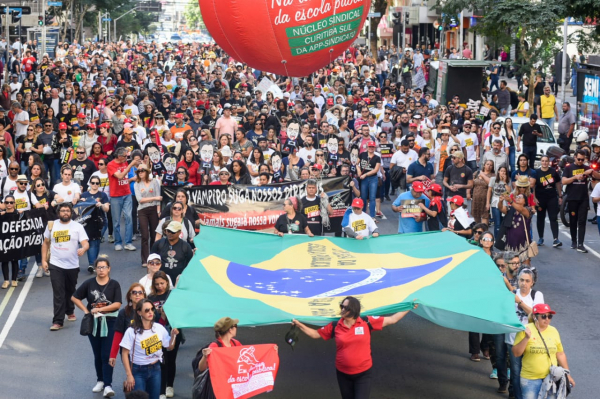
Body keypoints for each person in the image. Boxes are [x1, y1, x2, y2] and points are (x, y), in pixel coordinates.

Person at [292, 296, 418, 399]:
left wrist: (409, 307)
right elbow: (315, 334)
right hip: (343, 374)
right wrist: (299, 325)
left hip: (363, 374)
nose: (341, 309)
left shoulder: (367, 322)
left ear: (353, 310)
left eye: (345, 307)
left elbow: (392, 319)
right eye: (341, 306)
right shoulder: (336, 326)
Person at [71, 256, 122, 398]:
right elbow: (75, 297)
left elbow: (118, 304)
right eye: (99, 267)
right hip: (93, 323)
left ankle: (108, 385)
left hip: (110, 322)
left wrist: (101, 310)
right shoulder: (89, 283)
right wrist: (86, 311)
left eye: (104, 267)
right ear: (95, 269)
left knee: (107, 354)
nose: (101, 270)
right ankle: (100, 380)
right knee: (97, 354)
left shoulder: (114, 284)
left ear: (109, 269)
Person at [42, 203, 90, 331]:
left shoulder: (77, 227)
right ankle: (58, 321)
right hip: (55, 264)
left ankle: (70, 310)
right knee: (58, 292)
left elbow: (86, 243)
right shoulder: (52, 225)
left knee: (70, 290)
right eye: (62, 211)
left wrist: (83, 249)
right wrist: (43, 261)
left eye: (67, 211)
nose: (65, 213)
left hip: (72, 265)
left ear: (71, 213)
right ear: (58, 213)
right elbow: (45, 243)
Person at [512, 304, 575, 399]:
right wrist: (526, 338)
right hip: (530, 379)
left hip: (551, 378)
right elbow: (516, 353)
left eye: (549, 316)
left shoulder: (554, 331)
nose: (547, 319)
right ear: (534, 316)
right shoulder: (525, 329)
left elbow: (560, 354)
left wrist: (567, 374)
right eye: (544, 316)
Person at [120, 299, 179, 399]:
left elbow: (169, 346)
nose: (151, 312)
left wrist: (173, 336)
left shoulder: (159, 328)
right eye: (147, 310)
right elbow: (124, 353)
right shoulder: (132, 331)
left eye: (152, 309)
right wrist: (129, 375)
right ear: (139, 312)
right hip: (138, 370)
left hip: (155, 368)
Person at [504, 267, 544, 399]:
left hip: (531, 340)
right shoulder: (512, 294)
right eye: (521, 280)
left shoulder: (537, 295)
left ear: (532, 282)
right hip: (512, 339)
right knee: (515, 372)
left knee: (528, 372)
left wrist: (519, 302)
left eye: (527, 281)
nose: (524, 283)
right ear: (518, 280)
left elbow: (535, 316)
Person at [562, 149, 600, 252]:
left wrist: (592, 171)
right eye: (578, 159)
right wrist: (574, 177)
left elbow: (598, 177)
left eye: (582, 160)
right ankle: (574, 241)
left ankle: (580, 244)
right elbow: (564, 181)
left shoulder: (586, 167)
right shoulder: (569, 168)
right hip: (572, 198)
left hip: (583, 199)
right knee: (573, 221)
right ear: (575, 157)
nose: (580, 161)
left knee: (582, 221)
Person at [108, 283, 147, 374]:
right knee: (133, 376)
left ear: (144, 295)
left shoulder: (149, 311)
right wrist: (113, 355)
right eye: (134, 292)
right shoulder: (124, 313)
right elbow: (118, 335)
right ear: (130, 296)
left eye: (140, 292)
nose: (137, 294)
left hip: (146, 350)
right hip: (129, 353)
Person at [107, 147, 140, 252]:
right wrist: (130, 164)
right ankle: (118, 242)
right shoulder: (111, 165)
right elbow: (120, 176)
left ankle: (128, 242)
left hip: (127, 194)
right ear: (119, 156)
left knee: (129, 218)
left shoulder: (125, 163)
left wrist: (132, 178)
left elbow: (125, 179)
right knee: (116, 221)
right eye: (125, 156)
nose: (127, 158)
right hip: (116, 196)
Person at [498, 176, 534, 263]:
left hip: (523, 243)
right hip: (510, 241)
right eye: (517, 197)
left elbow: (521, 209)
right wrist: (500, 201)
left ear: (525, 201)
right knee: (509, 264)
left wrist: (510, 201)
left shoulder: (528, 210)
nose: (517, 198)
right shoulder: (511, 209)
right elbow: (501, 209)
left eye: (520, 197)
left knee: (525, 264)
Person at [134, 165, 162, 267]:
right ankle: (144, 260)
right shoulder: (137, 184)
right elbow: (139, 199)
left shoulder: (154, 181)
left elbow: (159, 198)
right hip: (142, 210)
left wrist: (159, 211)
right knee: (145, 235)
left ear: (147, 172)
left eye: (142, 171)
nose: (140, 173)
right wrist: (155, 198)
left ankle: (153, 258)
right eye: (138, 172)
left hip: (154, 209)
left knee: (154, 235)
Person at [81, 175, 110, 273]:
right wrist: (82, 201)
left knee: (97, 242)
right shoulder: (84, 195)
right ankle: (91, 264)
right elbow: (79, 209)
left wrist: (101, 205)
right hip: (88, 223)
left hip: (101, 222)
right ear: (89, 183)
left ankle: (94, 262)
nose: (95, 185)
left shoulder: (103, 195)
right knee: (92, 242)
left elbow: (107, 209)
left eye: (97, 183)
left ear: (99, 185)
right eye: (93, 183)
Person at [534, 155, 562, 247]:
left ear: (548, 162)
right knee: (540, 218)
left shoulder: (553, 172)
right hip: (540, 198)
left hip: (552, 197)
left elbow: (558, 183)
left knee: (553, 217)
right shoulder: (536, 172)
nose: (544, 163)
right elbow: (533, 186)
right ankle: (541, 238)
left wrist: (560, 195)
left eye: (546, 161)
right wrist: (534, 198)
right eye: (543, 161)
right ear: (541, 162)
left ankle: (556, 239)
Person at [356, 140, 381, 217]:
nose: (371, 148)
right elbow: (356, 163)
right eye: (369, 146)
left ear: (374, 147)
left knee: (372, 197)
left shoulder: (377, 157)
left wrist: (365, 174)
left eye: (372, 147)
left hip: (373, 178)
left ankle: (372, 216)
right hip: (364, 179)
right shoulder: (362, 154)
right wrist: (359, 170)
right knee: (363, 197)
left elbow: (376, 170)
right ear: (367, 147)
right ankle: (363, 214)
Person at [487, 165, 511, 238]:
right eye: (501, 171)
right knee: (497, 222)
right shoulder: (493, 179)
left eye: (504, 171)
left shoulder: (508, 180)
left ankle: (502, 239)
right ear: (498, 172)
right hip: (495, 201)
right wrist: (487, 202)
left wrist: (504, 182)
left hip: (504, 202)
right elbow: (489, 191)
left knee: (503, 222)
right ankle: (497, 239)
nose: (503, 173)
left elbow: (509, 192)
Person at [469, 160, 494, 225]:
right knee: (477, 222)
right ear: (484, 165)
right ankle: (478, 234)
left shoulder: (493, 175)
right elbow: (470, 182)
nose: (489, 166)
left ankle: (485, 235)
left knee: (484, 223)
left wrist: (483, 175)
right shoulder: (477, 173)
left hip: (485, 200)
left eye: (491, 165)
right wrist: (468, 192)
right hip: (475, 199)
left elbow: (490, 183)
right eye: (487, 164)